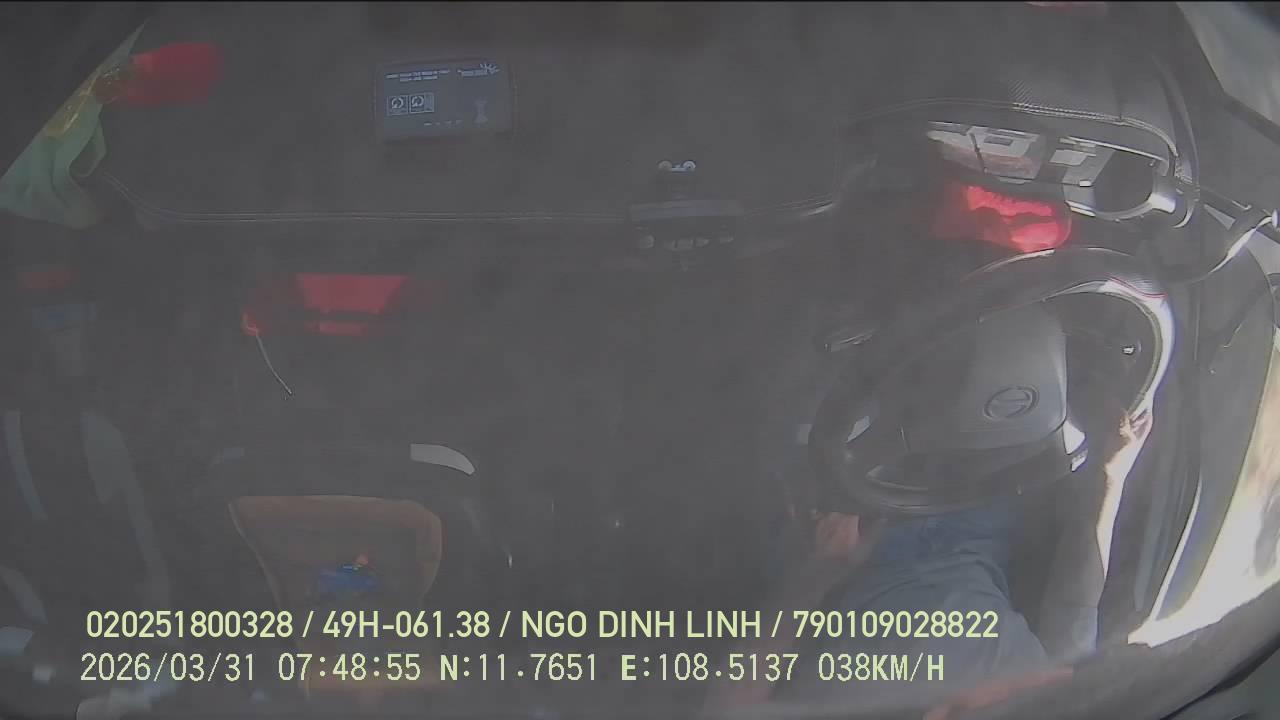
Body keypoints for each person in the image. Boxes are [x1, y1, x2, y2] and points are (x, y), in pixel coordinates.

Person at [705, 364, 1151, 720]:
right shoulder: (1058, 704)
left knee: (814, 370)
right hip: (974, 518)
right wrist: (1109, 473)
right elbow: (1075, 603)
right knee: (1003, 356)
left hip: (842, 543)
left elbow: (727, 708)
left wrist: (816, 576)